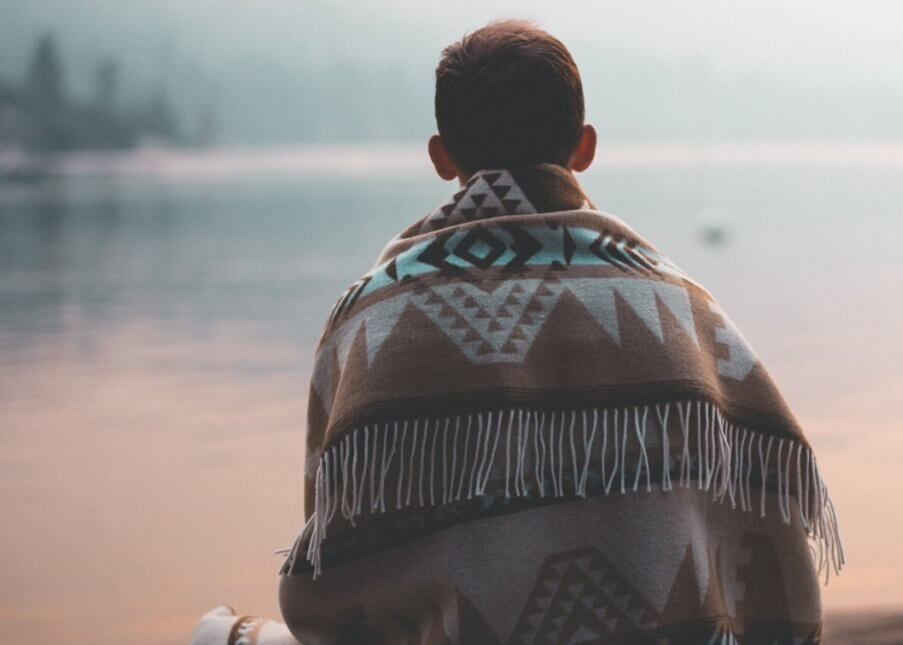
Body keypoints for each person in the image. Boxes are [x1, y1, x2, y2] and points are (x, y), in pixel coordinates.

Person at [193, 19, 842, 645]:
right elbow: (775, 566)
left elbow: (331, 588)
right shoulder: (684, 309)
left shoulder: (369, 322)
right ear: (585, 146)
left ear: (441, 157)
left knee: (216, 634)